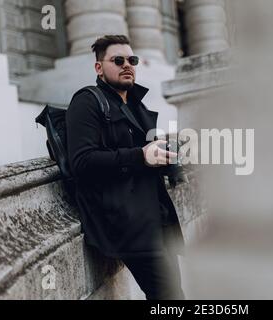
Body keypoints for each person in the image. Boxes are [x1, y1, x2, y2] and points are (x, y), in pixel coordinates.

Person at [66, 35, 185, 300]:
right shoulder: (86, 102)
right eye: (117, 60)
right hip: (128, 223)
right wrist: (140, 156)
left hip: (157, 218)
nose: (127, 65)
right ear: (99, 67)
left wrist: (165, 155)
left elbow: (146, 154)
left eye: (132, 60)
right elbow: (82, 161)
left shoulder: (135, 105)